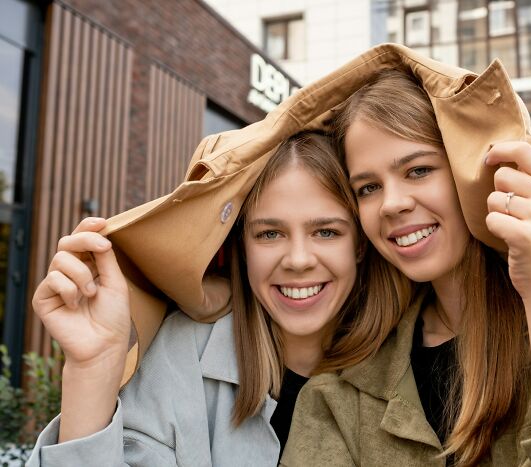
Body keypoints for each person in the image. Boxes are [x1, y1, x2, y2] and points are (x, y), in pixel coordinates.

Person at [281, 70, 531, 466]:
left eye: (419, 170)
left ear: (477, 172)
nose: (391, 203)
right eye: (368, 188)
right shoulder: (340, 389)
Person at [27, 131, 406, 466]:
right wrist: (91, 370)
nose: (299, 261)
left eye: (326, 232)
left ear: (360, 244)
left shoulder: (415, 356)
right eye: (269, 234)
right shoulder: (182, 355)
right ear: (241, 247)